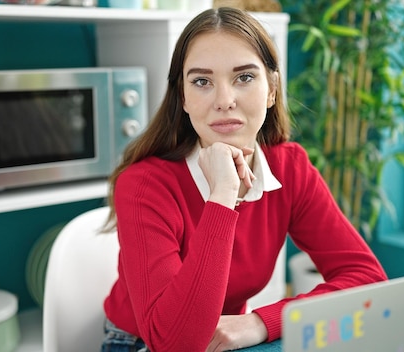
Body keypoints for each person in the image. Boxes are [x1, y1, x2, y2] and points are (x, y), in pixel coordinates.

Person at [101, 7, 388, 352]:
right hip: (139, 344)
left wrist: (260, 321)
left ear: (271, 90)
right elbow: (173, 343)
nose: (224, 101)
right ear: (184, 98)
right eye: (202, 82)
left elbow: (367, 279)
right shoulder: (144, 184)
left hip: (233, 339)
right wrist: (222, 195)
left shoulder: (290, 166)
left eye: (245, 77)